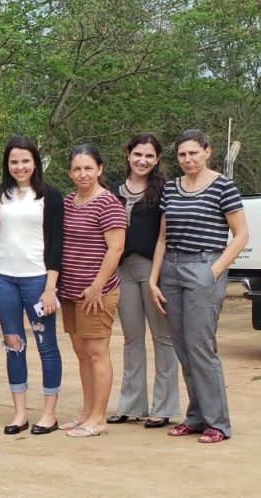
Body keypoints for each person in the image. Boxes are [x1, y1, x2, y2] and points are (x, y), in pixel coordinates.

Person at [150, 129, 249, 444]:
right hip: (172, 269)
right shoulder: (171, 188)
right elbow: (163, 238)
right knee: (182, 347)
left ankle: (218, 422)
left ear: (207, 151)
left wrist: (214, 271)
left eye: (193, 152)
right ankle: (195, 417)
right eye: (182, 154)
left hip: (204, 266)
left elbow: (241, 235)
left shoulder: (223, 186)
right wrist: (153, 278)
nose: (188, 159)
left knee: (200, 347)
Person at [0, 136, 64, 436]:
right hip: (3, 277)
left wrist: (50, 286)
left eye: (25, 161)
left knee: (46, 345)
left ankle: (49, 414)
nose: (19, 166)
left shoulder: (50, 196)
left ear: (35, 162)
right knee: (14, 344)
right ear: (7, 164)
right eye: (14, 161)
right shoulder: (0, 195)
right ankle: (19, 413)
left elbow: (57, 243)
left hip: (37, 279)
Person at [106, 134, 180, 429]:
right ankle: (132, 405)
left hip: (154, 270)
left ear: (157, 159)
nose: (142, 160)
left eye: (149, 156)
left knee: (163, 339)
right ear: (128, 154)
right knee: (132, 337)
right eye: (138, 154)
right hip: (122, 270)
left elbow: (166, 236)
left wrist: (157, 277)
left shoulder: (166, 190)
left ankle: (164, 407)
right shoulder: (113, 189)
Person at [58, 144, 126, 438]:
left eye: (88, 168)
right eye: (77, 169)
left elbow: (116, 248)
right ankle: (86, 413)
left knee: (97, 352)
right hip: (70, 291)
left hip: (97, 293)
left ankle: (99, 418)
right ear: (70, 172)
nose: (82, 174)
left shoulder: (108, 203)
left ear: (100, 169)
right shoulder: (67, 202)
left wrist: (97, 286)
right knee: (82, 353)